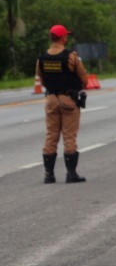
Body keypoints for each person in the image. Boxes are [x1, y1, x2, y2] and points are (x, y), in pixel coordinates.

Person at [37, 24, 88, 183]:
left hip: (51, 99)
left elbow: (41, 78)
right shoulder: (71, 56)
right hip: (68, 100)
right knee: (69, 136)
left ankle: (49, 175)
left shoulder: (42, 57)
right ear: (64, 37)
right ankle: (71, 174)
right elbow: (84, 80)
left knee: (51, 135)